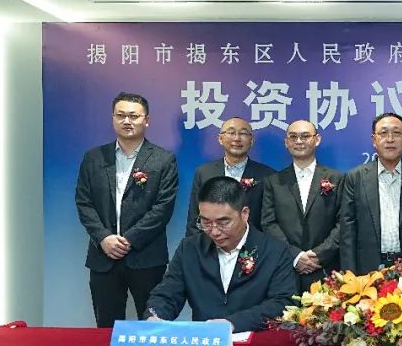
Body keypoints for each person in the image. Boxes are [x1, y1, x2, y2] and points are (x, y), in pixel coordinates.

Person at [75, 92, 178, 328]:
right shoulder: (93, 158)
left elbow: (163, 208)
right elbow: (84, 202)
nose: (127, 121)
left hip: (146, 257)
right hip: (104, 256)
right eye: (120, 115)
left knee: (152, 326)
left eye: (133, 116)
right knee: (106, 327)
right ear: (113, 119)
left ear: (146, 120)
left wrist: (129, 239)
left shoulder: (163, 159)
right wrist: (103, 238)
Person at [147, 177, 295, 331]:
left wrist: (233, 323)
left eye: (223, 223)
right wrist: (155, 315)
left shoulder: (275, 251)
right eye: (206, 222)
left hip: (254, 340)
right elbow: (168, 294)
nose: (214, 232)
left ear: (244, 214)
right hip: (206, 340)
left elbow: (282, 303)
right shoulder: (189, 249)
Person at [339, 112, 402, 273]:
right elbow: (347, 232)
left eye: (396, 133)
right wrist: (349, 275)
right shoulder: (355, 178)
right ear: (374, 140)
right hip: (367, 271)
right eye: (383, 133)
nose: (390, 139)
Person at [259, 120, 345, 293]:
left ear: (317, 139)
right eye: (293, 137)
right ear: (286, 142)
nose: (299, 141)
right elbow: (268, 224)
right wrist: (296, 256)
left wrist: (319, 254)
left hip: (326, 269)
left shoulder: (337, 178)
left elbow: (343, 222)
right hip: (286, 270)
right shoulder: (273, 182)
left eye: (305, 136)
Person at [184, 117, 276, 235]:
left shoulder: (267, 175)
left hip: (253, 243)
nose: (237, 138)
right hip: (211, 241)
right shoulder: (204, 172)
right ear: (220, 139)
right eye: (231, 133)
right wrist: (195, 245)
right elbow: (194, 217)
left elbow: (269, 221)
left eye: (243, 133)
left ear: (251, 141)